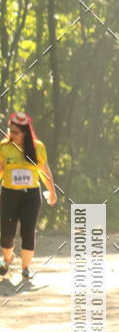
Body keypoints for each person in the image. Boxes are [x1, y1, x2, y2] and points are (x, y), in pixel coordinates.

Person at [0, 112, 57, 279]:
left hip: (31, 196)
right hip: (9, 194)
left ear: (25, 132)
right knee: (7, 233)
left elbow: (45, 171)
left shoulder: (38, 147)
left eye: (16, 132)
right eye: (10, 131)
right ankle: (7, 258)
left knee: (28, 231)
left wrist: (52, 192)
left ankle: (25, 268)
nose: (12, 134)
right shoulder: (4, 147)